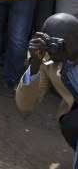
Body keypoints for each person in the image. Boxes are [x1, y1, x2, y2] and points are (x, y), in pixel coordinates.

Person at [16, 13, 78, 166]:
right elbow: (26, 105)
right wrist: (35, 64)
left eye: (60, 41)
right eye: (50, 41)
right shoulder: (48, 61)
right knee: (72, 125)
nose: (55, 47)